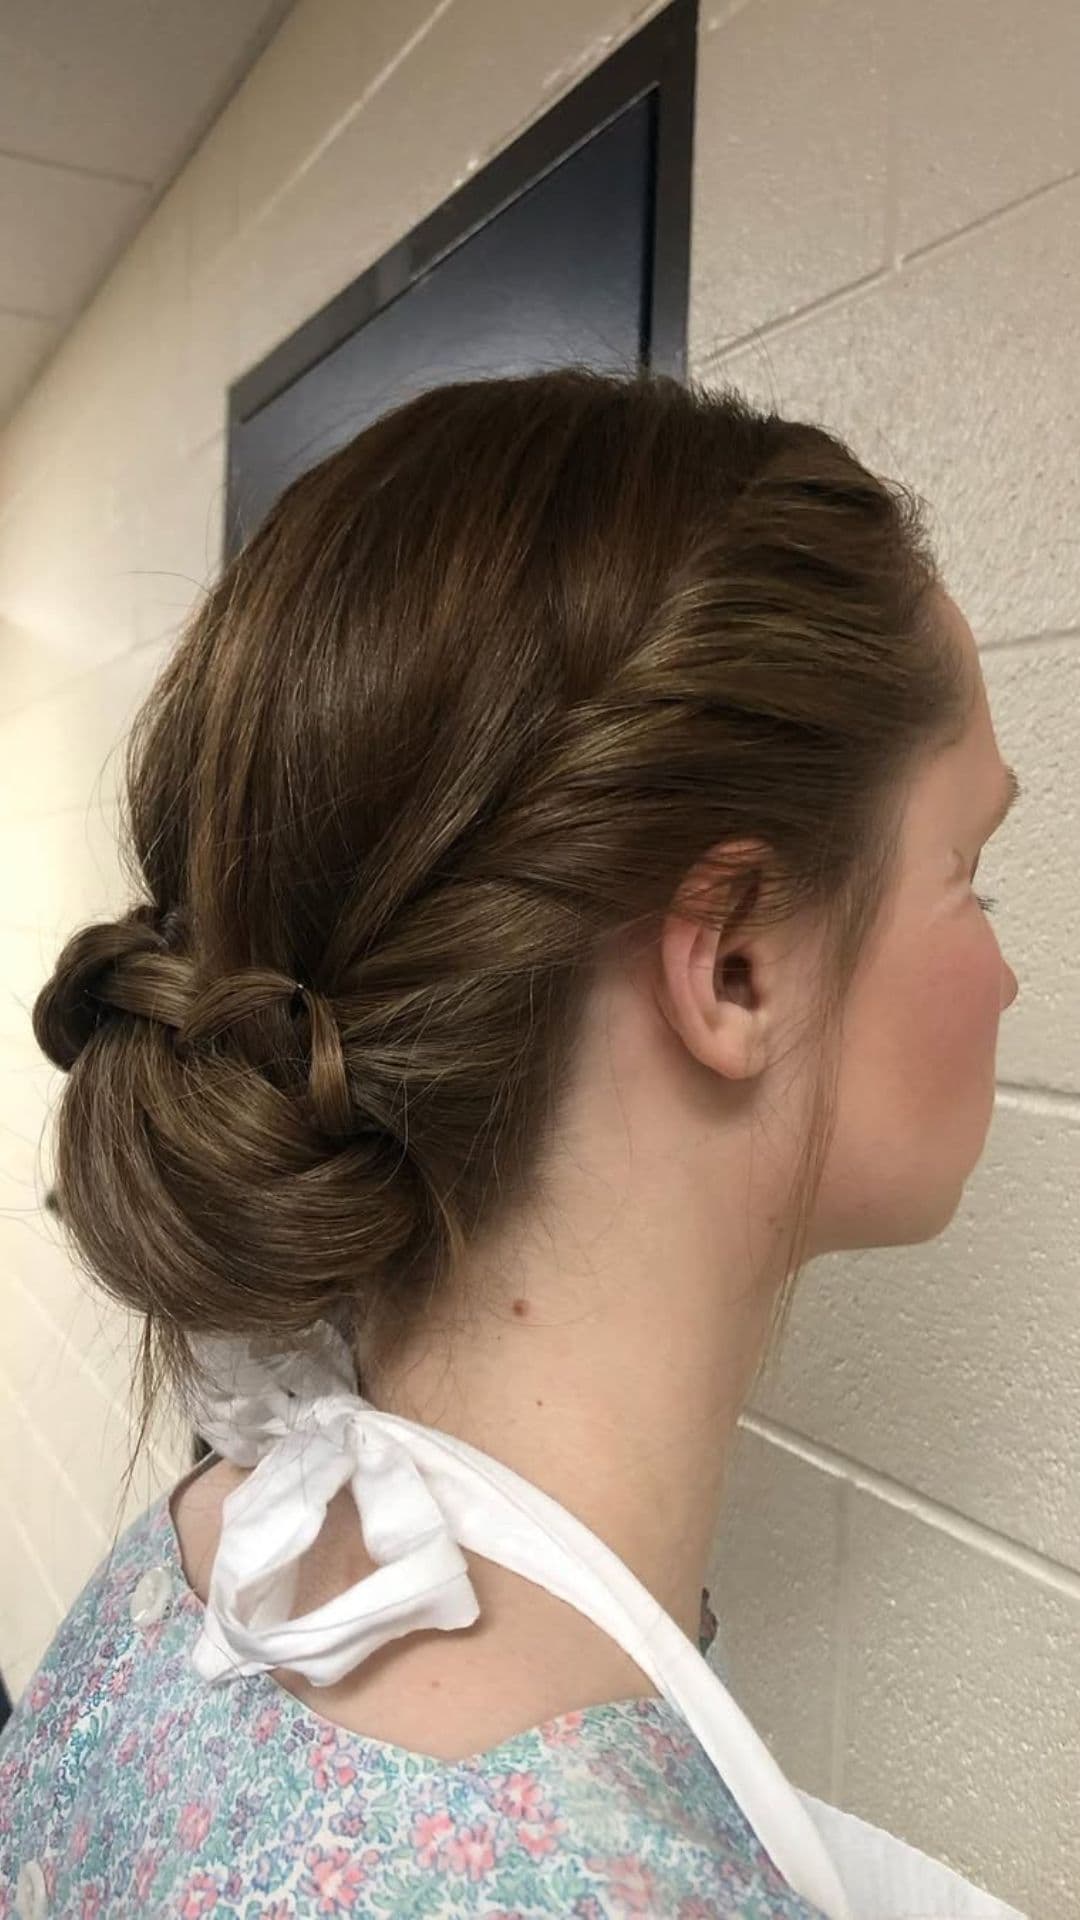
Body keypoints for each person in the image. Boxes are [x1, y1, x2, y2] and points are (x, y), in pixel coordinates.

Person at [0, 367, 1026, 1919]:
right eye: (971, 870)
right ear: (734, 961)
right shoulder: (580, 1876)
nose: (1005, 972)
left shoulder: (200, 1566)